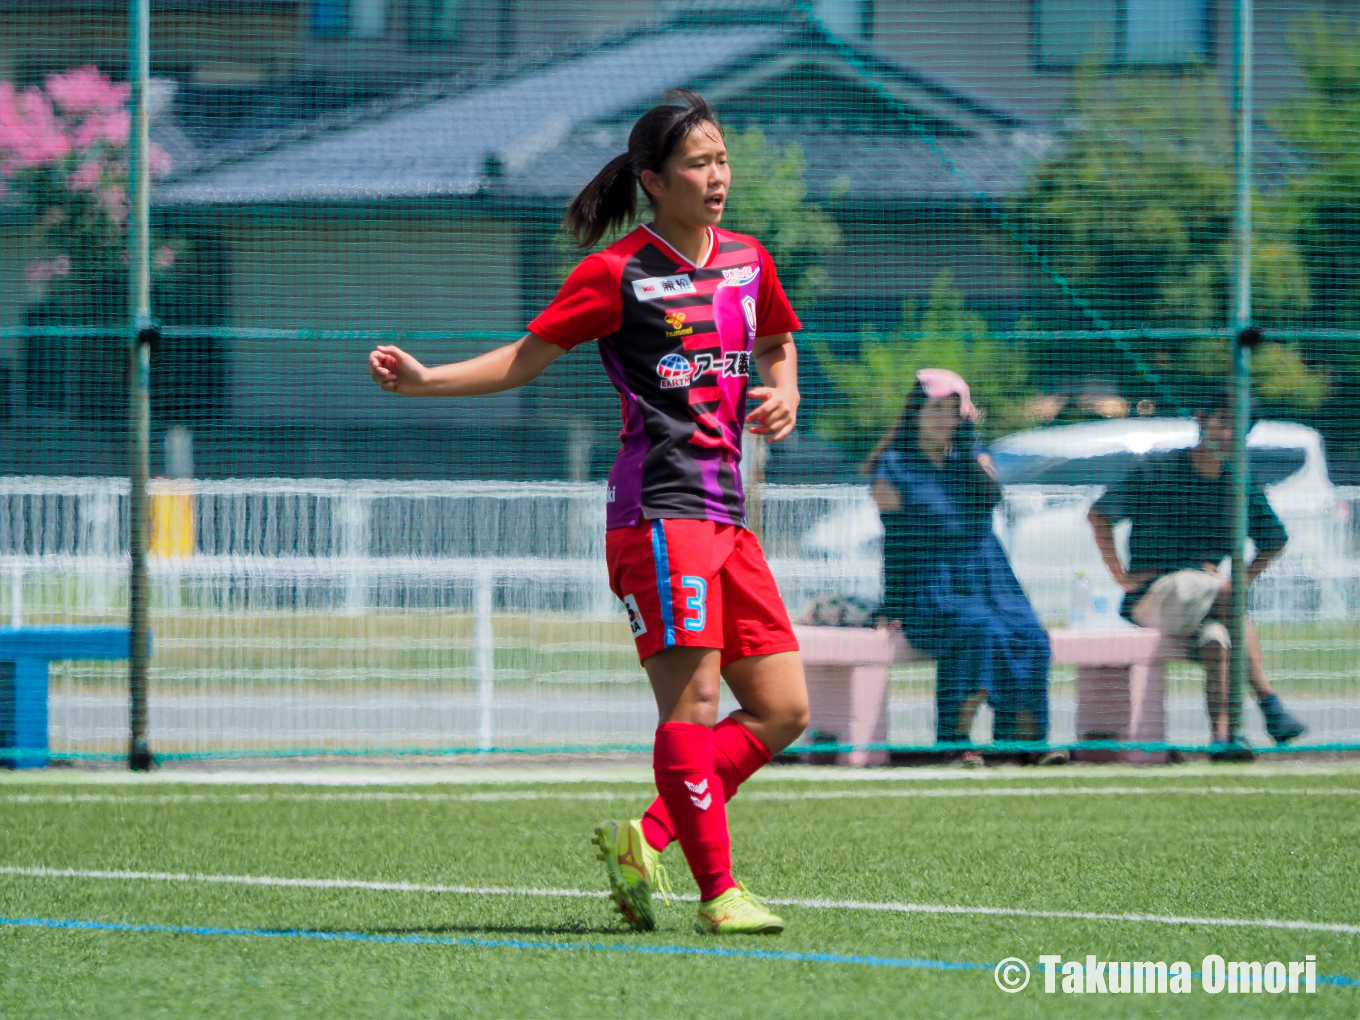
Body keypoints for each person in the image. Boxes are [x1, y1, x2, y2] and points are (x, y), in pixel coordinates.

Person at [367, 91, 807, 935]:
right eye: (698, 164)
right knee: (694, 705)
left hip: (727, 519)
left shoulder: (749, 260)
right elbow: (523, 359)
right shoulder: (617, 273)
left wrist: (783, 392)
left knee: (784, 708)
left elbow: (778, 338)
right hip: (657, 514)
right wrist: (428, 380)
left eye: (722, 160)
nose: (717, 177)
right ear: (654, 180)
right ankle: (719, 893)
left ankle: (643, 842)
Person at [1087, 388, 1308, 755]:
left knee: (1218, 640)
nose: (1225, 432)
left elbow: (1274, 539)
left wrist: (1242, 579)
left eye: (1236, 426)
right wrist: (1120, 576)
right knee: (1225, 594)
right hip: (1153, 593)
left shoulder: (1238, 484)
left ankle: (1222, 739)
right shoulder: (1158, 469)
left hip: (1207, 597)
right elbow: (1098, 515)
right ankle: (1270, 702)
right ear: (1201, 420)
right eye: (1220, 421)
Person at [868, 370, 1059, 765]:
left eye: (954, 412)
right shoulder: (893, 467)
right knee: (978, 629)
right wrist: (894, 604)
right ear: (916, 412)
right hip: (933, 583)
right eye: (936, 410)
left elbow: (992, 498)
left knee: (1030, 635)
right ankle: (954, 742)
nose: (945, 420)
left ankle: (1023, 744)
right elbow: (896, 543)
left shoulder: (974, 459)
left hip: (990, 575)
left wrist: (974, 451)